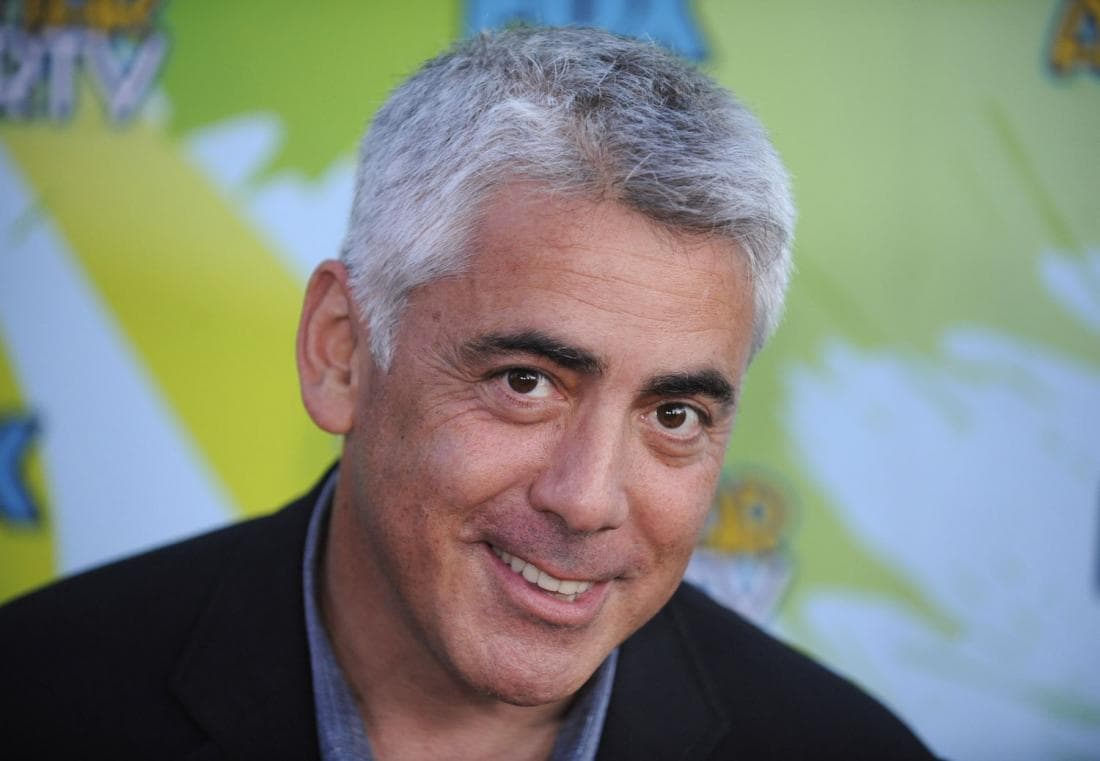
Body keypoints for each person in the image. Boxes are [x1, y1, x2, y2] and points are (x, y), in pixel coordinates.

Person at [0, 26, 939, 761]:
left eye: (673, 414)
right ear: (341, 351)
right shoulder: (38, 700)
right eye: (526, 382)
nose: (588, 499)